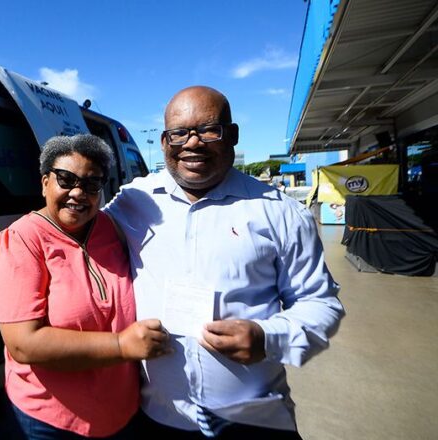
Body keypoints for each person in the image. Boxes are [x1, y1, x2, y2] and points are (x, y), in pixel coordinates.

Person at [104, 86, 345, 439]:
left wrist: (267, 337)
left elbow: (320, 303)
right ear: (164, 141)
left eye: (208, 130)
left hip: (252, 420)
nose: (193, 143)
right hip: (159, 416)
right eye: (180, 133)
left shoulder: (281, 212)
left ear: (231, 135)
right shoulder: (132, 202)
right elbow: (74, 231)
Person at [0, 134, 170, 439]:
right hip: (52, 422)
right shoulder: (21, 241)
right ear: (45, 183)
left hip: (121, 410)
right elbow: (23, 343)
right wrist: (121, 345)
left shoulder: (109, 228)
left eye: (92, 183)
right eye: (66, 179)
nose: (78, 193)